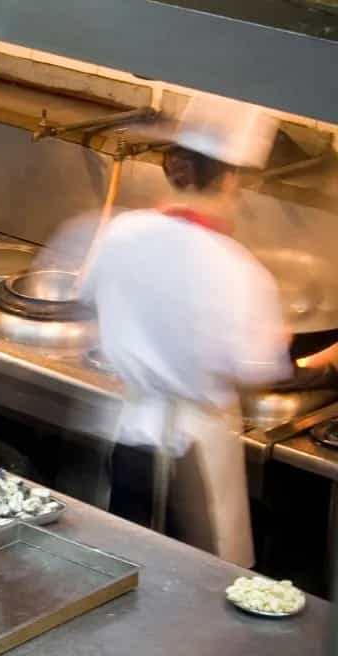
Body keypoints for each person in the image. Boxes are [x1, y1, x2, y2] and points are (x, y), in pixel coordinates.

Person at [80, 144, 292, 567]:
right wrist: (278, 338)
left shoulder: (121, 231)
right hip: (196, 454)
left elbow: (88, 295)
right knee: (202, 582)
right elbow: (258, 370)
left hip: (131, 435)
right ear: (228, 181)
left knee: (124, 568)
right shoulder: (237, 268)